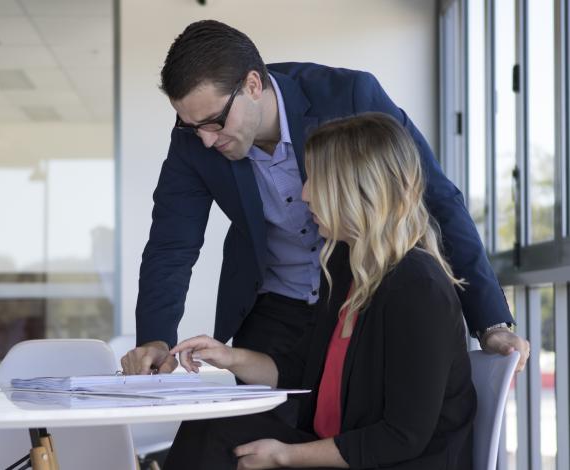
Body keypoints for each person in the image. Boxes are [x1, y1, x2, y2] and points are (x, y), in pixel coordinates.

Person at [121, 19, 529, 376]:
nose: (206, 140)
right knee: (220, 440)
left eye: (214, 122)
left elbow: (436, 198)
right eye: (192, 126)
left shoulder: (349, 97)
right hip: (275, 308)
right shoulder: (191, 139)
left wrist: (490, 322)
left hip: (362, 300)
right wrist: (156, 339)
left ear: (252, 84)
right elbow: (170, 246)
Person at [164, 112, 478, 470]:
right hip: (351, 452)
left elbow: (402, 437)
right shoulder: (347, 267)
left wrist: (285, 455)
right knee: (208, 428)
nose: (304, 194)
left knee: (217, 444)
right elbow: (297, 371)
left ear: (359, 188)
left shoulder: (418, 287)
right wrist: (226, 357)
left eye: (316, 180)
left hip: (396, 462)